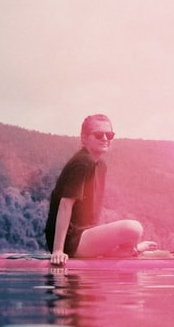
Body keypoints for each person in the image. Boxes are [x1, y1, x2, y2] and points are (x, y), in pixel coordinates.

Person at [45, 114, 156, 266]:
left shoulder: (100, 165)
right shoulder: (83, 162)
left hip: (86, 235)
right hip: (71, 241)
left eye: (109, 135)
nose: (105, 138)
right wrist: (58, 250)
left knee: (132, 230)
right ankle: (128, 250)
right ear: (84, 139)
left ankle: (126, 250)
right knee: (133, 228)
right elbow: (65, 204)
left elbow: (91, 213)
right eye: (98, 135)